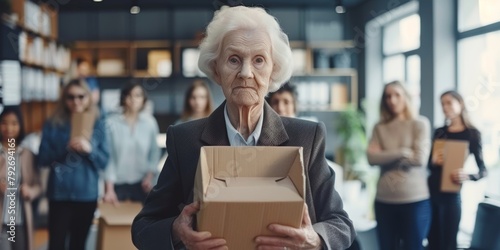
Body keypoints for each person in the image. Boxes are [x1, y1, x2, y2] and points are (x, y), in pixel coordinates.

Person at [132, 5, 355, 250]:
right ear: (216, 70)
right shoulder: (184, 140)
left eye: (259, 60)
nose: (246, 73)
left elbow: (341, 225)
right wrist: (177, 231)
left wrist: (314, 239)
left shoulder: (307, 137)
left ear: (273, 71)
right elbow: (144, 227)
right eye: (234, 60)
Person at [38, 79, 109, 250]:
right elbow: (42, 159)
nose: (76, 101)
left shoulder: (99, 123)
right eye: (70, 97)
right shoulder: (53, 123)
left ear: (88, 97)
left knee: (78, 244)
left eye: (81, 96)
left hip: (86, 195)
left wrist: (89, 149)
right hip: (59, 195)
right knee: (56, 244)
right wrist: (65, 147)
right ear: (64, 99)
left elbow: (104, 161)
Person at [367, 81, 431, 250]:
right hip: (383, 200)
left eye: (397, 95)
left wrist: (384, 155)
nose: (392, 100)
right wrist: (402, 152)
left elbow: (419, 159)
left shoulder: (419, 124)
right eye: (388, 96)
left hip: (414, 201)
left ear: (406, 97)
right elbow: (372, 158)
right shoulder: (379, 127)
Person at [427, 90, 487, 250]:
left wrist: (467, 175)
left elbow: (483, 170)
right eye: (442, 104)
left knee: (448, 243)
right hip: (431, 193)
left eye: (449, 102)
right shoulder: (439, 132)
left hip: (451, 195)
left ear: (460, 103)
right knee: (432, 241)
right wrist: (433, 160)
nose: (445, 107)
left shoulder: (472, 134)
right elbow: (428, 166)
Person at [103, 83, 160, 204]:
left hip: (143, 183)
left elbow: (154, 153)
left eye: (138, 95)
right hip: (117, 184)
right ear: (123, 98)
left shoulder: (150, 123)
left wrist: (149, 177)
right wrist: (109, 189)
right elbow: (109, 157)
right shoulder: (111, 123)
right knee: (117, 221)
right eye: (129, 95)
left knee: (144, 221)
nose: (133, 99)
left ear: (143, 100)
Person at [0, 107, 41, 250]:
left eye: (14, 123)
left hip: (20, 218)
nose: (9, 128)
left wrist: (30, 191)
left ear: (21, 126)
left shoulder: (27, 154)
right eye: (4, 123)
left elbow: (38, 186)